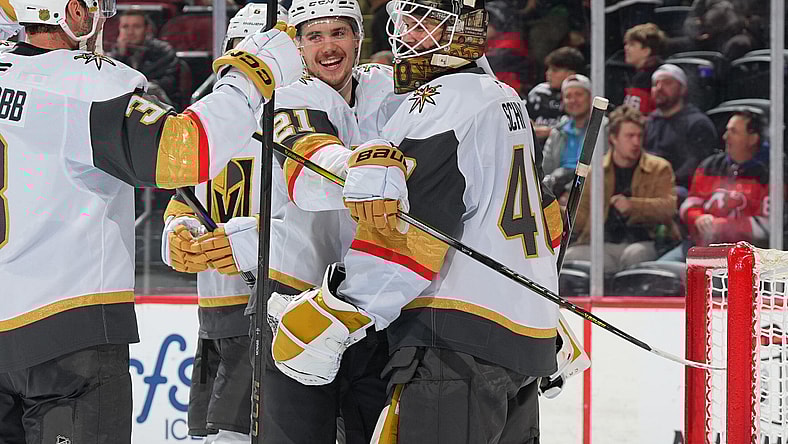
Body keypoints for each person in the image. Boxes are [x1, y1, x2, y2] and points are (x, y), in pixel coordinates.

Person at [0, 0, 302, 440]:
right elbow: (186, 151)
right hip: (64, 329)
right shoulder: (85, 82)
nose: (104, 19)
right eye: (96, 7)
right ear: (72, 12)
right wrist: (250, 75)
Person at [266, 0, 567, 440]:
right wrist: (547, 314)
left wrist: (340, 312)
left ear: (460, 28)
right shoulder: (505, 96)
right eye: (403, 21)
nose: (406, 34)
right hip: (520, 346)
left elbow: (414, 234)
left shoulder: (437, 103)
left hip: (455, 338)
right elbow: (548, 223)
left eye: (422, 21)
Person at [182, 0, 404, 442]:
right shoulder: (288, 97)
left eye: (338, 32)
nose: (327, 46)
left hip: (376, 300)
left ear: (359, 38)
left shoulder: (388, 86)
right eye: (313, 36)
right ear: (296, 47)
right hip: (293, 303)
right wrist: (364, 167)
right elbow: (309, 173)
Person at [159, 5, 294, 443]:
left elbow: (318, 225)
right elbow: (183, 203)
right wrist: (176, 235)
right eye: (237, 51)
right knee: (209, 436)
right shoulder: (209, 124)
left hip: (268, 315)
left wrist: (251, 239)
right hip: (213, 316)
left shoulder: (297, 122)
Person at [564, 106, 679, 273]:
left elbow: (669, 208)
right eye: (630, 136)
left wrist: (633, 206)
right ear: (613, 138)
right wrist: (560, 213)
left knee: (634, 256)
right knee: (571, 256)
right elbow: (580, 216)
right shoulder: (596, 171)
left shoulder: (659, 167)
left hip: (645, 241)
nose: (636, 142)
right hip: (601, 244)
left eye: (639, 136)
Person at [661, 111, 769, 262]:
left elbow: (767, 227)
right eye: (727, 130)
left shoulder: (770, 174)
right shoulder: (710, 166)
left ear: (752, 139)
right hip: (698, 248)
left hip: (743, 259)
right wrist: (699, 218)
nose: (725, 137)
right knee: (659, 275)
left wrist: (721, 226)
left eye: (734, 132)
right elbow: (689, 204)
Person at [644, 63, 717, 201]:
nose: (659, 88)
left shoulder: (697, 124)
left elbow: (694, 168)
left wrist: (660, 185)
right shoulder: (650, 122)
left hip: (680, 189)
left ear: (682, 89)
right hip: (648, 186)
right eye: (655, 84)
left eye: (667, 83)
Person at [542, 73, 608, 200]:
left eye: (578, 95)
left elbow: (602, 167)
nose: (573, 100)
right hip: (557, 189)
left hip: (590, 190)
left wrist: (569, 192)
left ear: (590, 98)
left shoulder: (603, 127)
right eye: (568, 96)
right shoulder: (558, 131)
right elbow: (546, 168)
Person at [110, 10, 181, 107]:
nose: (130, 32)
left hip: (160, 105)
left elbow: (169, 83)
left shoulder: (163, 50)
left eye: (136, 26)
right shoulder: (116, 54)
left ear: (147, 29)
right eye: (125, 27)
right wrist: (121, 55)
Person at [526, 46, 585, 141]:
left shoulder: (584, 95)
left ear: (571, 73)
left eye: (554, 70)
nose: (548, 73)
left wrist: (553, 133)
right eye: (548, 69)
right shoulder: (537, 92)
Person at [622, 23, 665, 115]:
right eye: (626, 44)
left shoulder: (658, 77)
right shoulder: (637, 75)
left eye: (632, 44)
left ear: (646, 51)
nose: (626, 48)